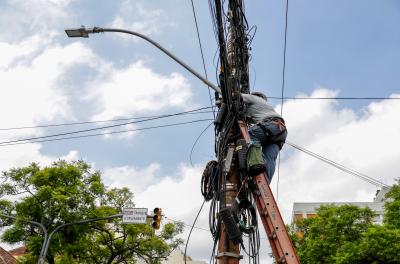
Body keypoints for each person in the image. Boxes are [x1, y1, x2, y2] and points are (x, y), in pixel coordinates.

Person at [241, 92, 287, 182]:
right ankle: (265, 181)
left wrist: (223, 99)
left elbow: (236, 96)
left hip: (270, 125)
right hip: (281, 132)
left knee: (250, 134)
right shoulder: (266, 107)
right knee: (270, 158)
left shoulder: (253, 98)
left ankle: (256, 163)